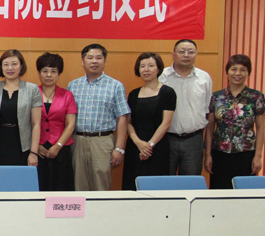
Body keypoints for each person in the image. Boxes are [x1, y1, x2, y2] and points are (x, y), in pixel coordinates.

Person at [67, 43, 131, 191]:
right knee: (78, 183)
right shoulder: (73, 85)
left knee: (100, 184)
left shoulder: (115, 86)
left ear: (105, 61)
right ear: (83, 61)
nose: (94, 61)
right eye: (90, 58)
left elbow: (122, 118)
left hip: (103, 141)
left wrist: (119, 149)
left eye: (98, 58)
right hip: (78, 140)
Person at [205, 54, 265, 189]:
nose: (238, 73)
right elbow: (209, 128)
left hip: (246, 154)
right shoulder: (216, 97)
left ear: (248, 73)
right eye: (234, 69)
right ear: (227, 72)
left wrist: (258, 156)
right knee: (220, 192)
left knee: (244, 193)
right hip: (219, 153)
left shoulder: (256, 97)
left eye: (243, 70)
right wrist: (208, 155)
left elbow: (261, 128)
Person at [122, 52, 177, 191]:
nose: (146, 69)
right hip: (135, 146)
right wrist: (138, 143)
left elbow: (166, 123)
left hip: (157, 147)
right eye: (142, 66)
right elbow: (128, 122)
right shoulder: (133, 94)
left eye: (151, 65)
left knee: (156, 188)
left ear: (158, 69)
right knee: (132, 186)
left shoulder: (168, 92)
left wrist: (149, 146)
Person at [158, 39, 212, 176]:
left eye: (190, 52)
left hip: (193, 140)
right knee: (165, 181)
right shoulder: (161, 77)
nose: (186, 55)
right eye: (182, 51)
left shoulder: (204, 78)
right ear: (173, 54)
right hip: (166, 139)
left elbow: (207, 109)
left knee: (190, 183)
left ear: (196, 55)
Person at [0, 49, 42, 167]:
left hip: (22, 146)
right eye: (6, 64)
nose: (10, 68)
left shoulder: (32, 89)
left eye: (14, 64)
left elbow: (36, 124)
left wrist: (34, 152)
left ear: (21, 66)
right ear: (1, 67)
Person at [36, 53, 77, 192]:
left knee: (61, 188)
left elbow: (70, 124)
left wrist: (58, 146)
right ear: (39, 73)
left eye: (53, 71)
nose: (49, 75)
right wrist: (36, 146)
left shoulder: (67, 95)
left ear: (59, 74)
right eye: (45, 71)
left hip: (61, 149)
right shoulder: (32, 93)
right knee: (39, 187)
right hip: (38, 149)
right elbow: (27, 123)